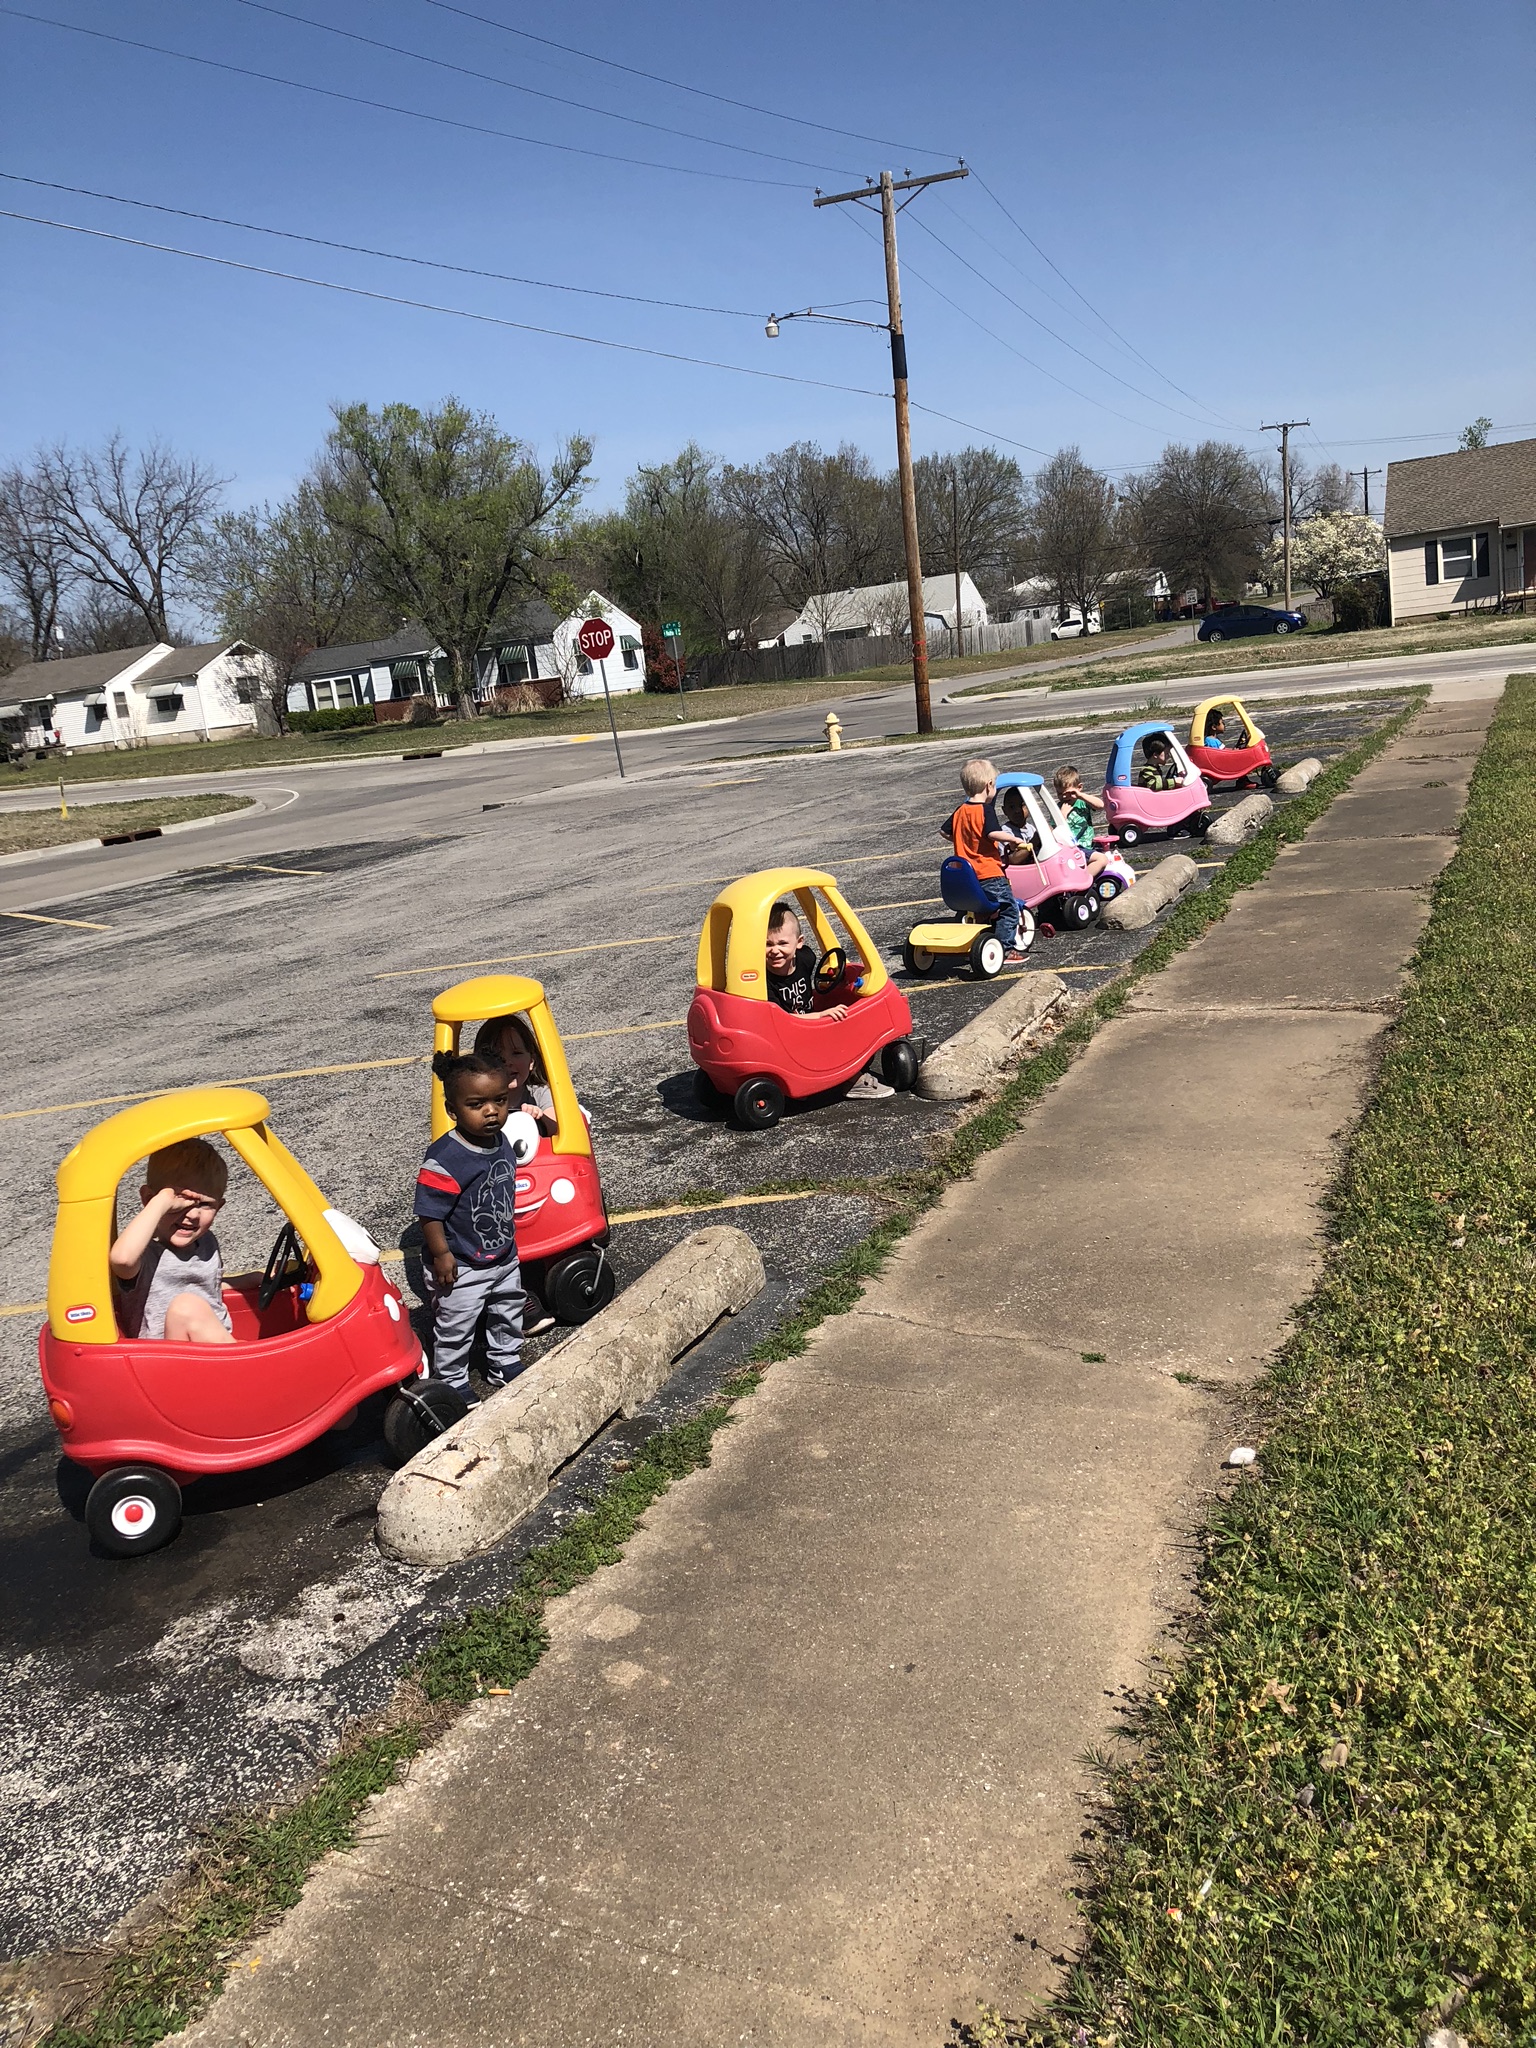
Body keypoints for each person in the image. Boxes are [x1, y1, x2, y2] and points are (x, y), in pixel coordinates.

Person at [414, 1050, 527, 1400]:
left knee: (509, 1309)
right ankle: (451, 1381)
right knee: (455, 1326)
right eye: (476, 1104)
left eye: (500, 1101)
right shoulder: (445, 1158)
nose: (491, 1111)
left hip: (502, 1254)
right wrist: (441, 1254)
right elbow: (429, 1213)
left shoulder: (501, 1142)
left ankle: (504, 1361)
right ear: (453, 1110)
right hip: (460, 1264)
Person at [764, 898, 893, 1100]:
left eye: (782, 943)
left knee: (844, 1015)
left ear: (799, 943)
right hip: (788, 1036)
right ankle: (854, 1081)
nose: (775, 951)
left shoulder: (806, 958)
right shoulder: (764, 982)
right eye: (768, 944)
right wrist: (821, 1015)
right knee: (835, 1030)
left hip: (808, 1026)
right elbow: (782, 1020)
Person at [110, 1138, 236, 1343]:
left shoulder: (206, 1243)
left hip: (215, 1348)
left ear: (219, 1207)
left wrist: (250, 1280)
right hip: (171, 1363)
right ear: (150, 1200)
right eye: (179, 1203)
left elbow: (202, 1285)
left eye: (204, 1205)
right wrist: (162, 1201)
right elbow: (122, 1259)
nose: (193, 1215)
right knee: (186, 1307)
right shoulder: (145, 1258)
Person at [952, 759, 1028, 962]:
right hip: (989, 872)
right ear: (989, 786)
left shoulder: (960, 811)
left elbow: (945, 832)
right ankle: (1005, 949)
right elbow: (993, 833)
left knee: (981, 911)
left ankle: (979, 943)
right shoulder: (985, 810)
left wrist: (965, 838)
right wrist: (1013, 839)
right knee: (1009, 908)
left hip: (966, 875)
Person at [473, 1014, 558, 1137]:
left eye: (516, 1053)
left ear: (531, 1061)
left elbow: (556, 1127)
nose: (508, 1062)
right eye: (497, 1055)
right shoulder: (477, 1098)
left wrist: (538, 1118)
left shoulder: (539, 1094)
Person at [1051, 765, 1111, 886]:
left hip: (1087, 846)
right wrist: (1062, 815)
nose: (1063, 797)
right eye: (1059, 793)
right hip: (1072, 849)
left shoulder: (1082, 802)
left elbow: (1100, 805)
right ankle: (1081, 882)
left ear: (1079, 788)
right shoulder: (1058, 808)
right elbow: (1055, 831)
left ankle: (1081, 879)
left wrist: (1079, 795)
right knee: (1102, 859)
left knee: (1107, 857)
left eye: (1068, 793)